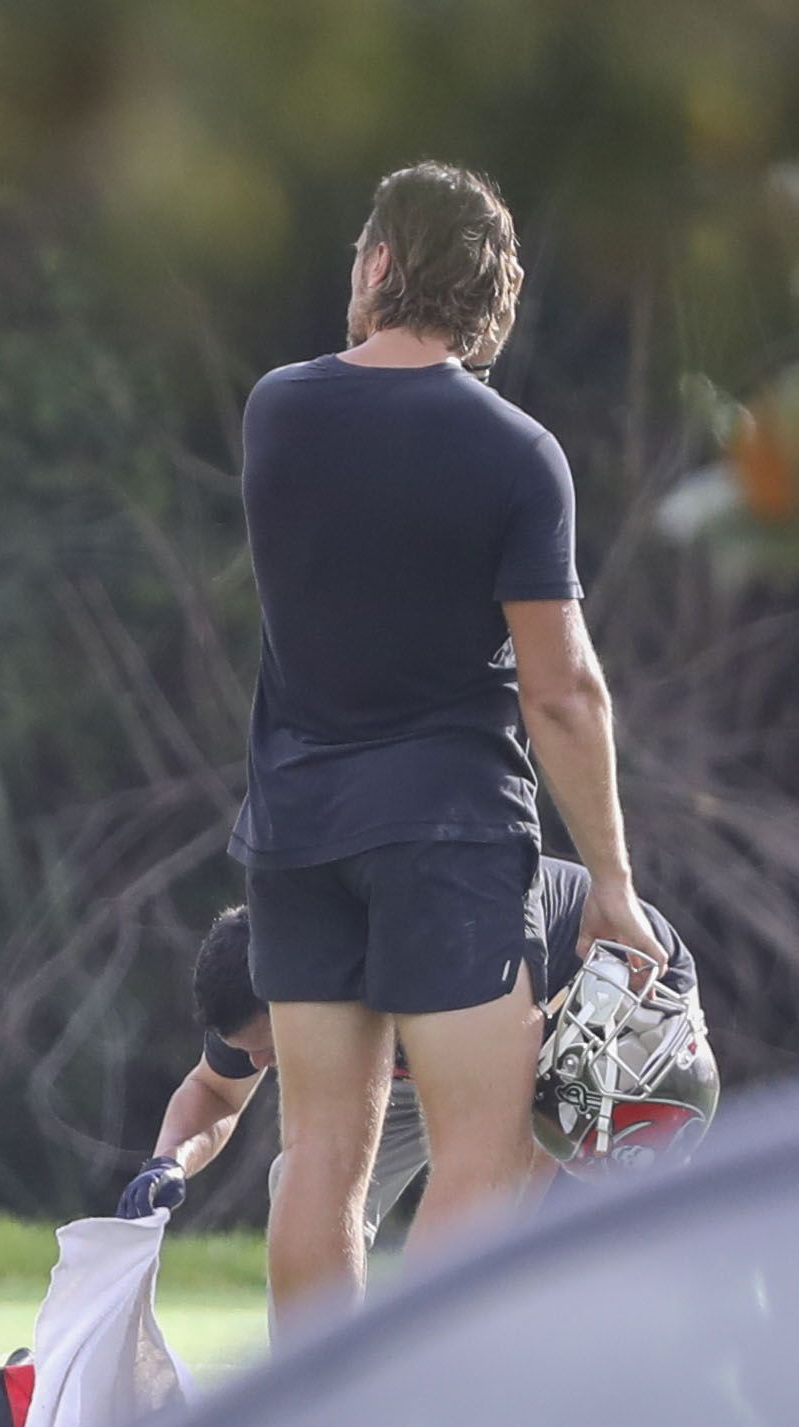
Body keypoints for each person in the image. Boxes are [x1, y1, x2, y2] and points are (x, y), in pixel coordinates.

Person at [231, 162, 665, 1323]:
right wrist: (611, 885)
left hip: (296, 828)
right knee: (482, 1147)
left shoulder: (276, 408)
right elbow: (562, 688)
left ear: (379, 262)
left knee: (322, 1152)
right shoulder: (517, 453)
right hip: (451, 832)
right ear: (490, 298)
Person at [120, 864, 705, 1240]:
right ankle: (319, 1391)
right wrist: (167, 1161)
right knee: (304, 1185)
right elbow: (215, 1089)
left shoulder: (409, 957)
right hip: (422, 1054)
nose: (260, 1067)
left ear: (301, 1001)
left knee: (515, 1205)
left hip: (605, 995)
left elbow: (525, 1128)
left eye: (269, 1050)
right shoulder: (268, 981)